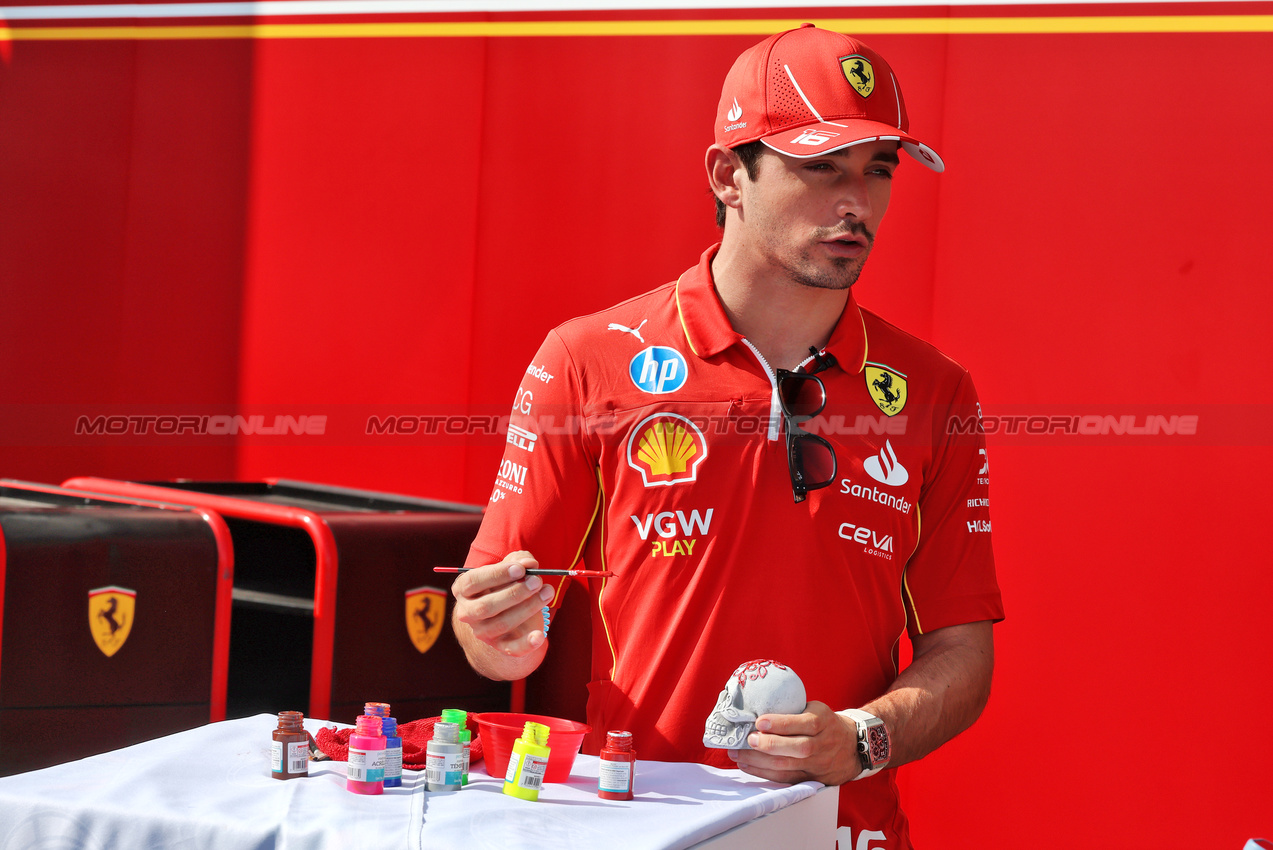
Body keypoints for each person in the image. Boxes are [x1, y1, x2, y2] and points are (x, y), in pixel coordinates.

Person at [453, 24, 1004, 847]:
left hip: (844, 831)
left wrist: (861, 739)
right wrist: (492, 636)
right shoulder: (588, 361)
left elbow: (961, 653)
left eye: (876, 170)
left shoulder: (934, 391)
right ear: (727, 175)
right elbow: (493, 620)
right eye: (820, 167)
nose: (855, 201)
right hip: (641, 822)